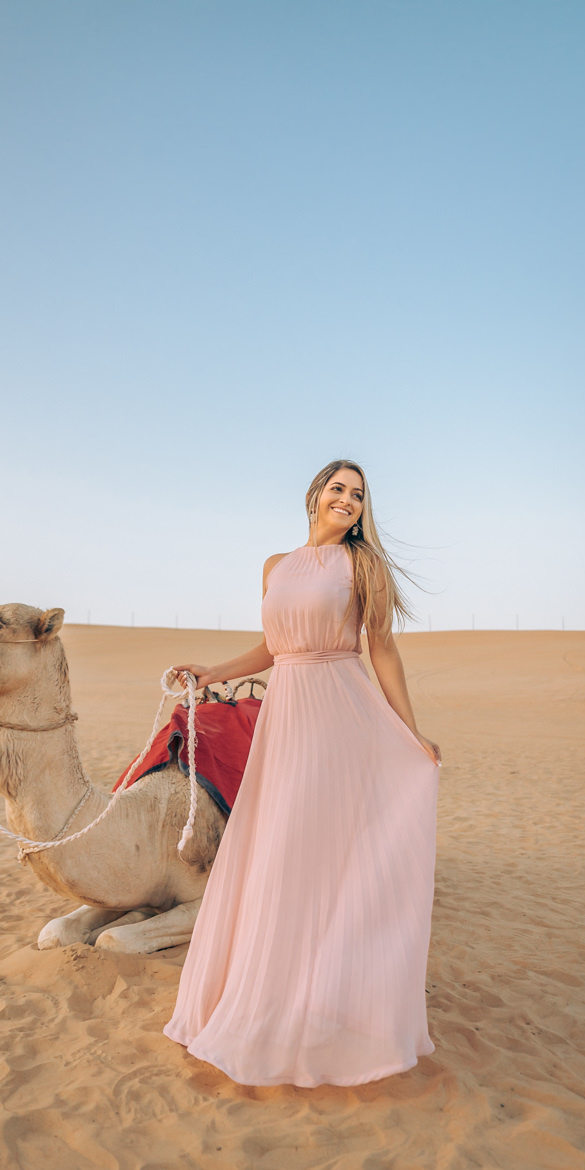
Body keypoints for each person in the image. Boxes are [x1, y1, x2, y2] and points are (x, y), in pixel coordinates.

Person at [164, 460, 440, 1088]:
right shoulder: (275, 566)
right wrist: (210, 674)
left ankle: (330, 1000)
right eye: (338, 489)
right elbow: (273, 645)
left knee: (317, 846)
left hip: (339, 708)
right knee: (277, 846)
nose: (348, 500)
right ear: (316, 495)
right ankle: (275, 996)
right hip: (287, 713)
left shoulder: (363, 565)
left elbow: (382, 649)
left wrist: (409, 731)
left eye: (359, 495)